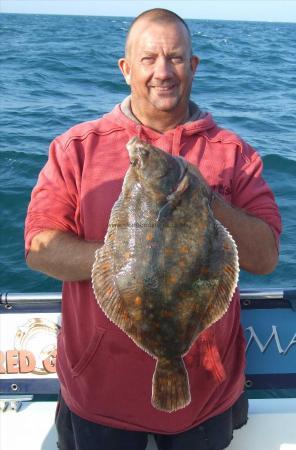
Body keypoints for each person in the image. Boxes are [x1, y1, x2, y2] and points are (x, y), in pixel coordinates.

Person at [25, 8, 281, 450]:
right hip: (97, 395)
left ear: (193, 66)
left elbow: (265, 257)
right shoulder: (75, 149)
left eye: (176, 58)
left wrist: (209, 201)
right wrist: (124, 259)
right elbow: (39, 249)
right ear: (125, 69)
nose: (162, 72)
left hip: (206, 396)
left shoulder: (235, 154)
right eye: (148, 59)